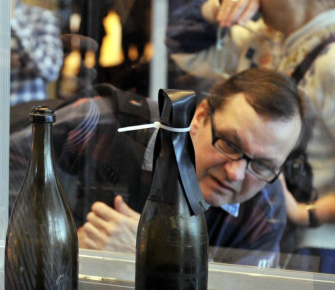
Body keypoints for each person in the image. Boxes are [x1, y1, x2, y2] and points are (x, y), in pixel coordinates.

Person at [166, 0, 335, 272]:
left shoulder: (331, 60)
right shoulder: (269, 38)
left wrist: (305, 213)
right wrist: (219, 6)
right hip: (267, 236)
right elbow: (178, 44)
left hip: (317, 252)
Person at [77, 68, 305, 268]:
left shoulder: (265, 207)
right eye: (229, 144)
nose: (235, 173)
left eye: (262, 164)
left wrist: (159, 258)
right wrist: (70, 247)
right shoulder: (102, 131)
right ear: (199, 116)